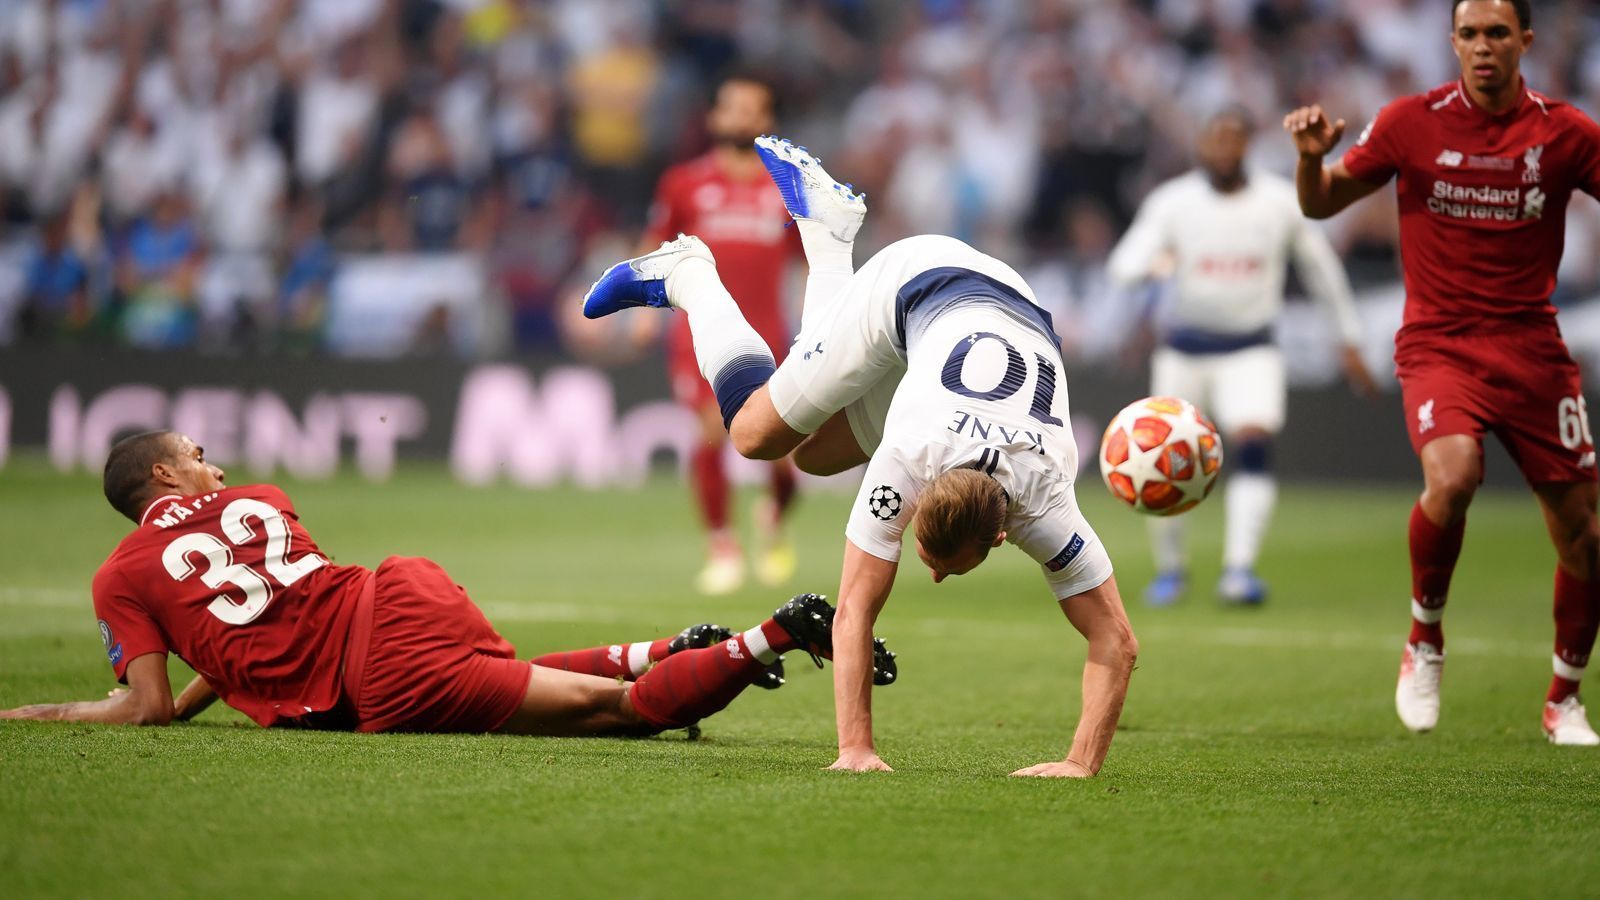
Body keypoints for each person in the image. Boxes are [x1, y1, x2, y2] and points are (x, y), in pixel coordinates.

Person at [582, 137, 1137, 777]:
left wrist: (1080, 764)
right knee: (756, 435)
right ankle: (689, 274)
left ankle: (825, 233)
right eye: (940, 563)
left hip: (1004, 303)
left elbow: (1118, 642)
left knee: (814, 455)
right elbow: (852, 613)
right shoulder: (917, 459)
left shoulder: (1041, 493)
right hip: (911, 286)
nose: (930, 575)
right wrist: (855, 750)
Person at [0, 431, 896, 734]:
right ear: (161, 478)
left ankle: (769, 636)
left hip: (378, 675)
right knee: (522, 683)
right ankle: (665, 649)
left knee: (604, 713)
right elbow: (245, 632)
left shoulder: (122, 574)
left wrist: (43, 713)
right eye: (195, 457)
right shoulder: (264, 500)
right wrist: (224, 681)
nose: (213, 464)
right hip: (400, 589)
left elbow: (145, 704)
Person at [1284, 0, 1599, 745]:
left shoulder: (1567, 132)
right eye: (1468, 34)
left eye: (1497, 33)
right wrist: (1308, 157)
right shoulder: (1409, 122)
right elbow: (1322, 204)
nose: (1482, 48)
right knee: (1452, 479)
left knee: (1583, 536)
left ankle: (1564, 699)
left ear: (1524, 40)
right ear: (1452, 42)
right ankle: (1424, 638)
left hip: (1534, 351)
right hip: (1440, 343)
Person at [1108, 106, 1377, 607]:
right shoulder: (1174, 202)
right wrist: (1150, 264)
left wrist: (1348, 338)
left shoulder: (1279, 201)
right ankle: (1171, 571)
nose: (1224, 149)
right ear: (1202, 145)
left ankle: (1239, 568)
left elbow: (1321, 272)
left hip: (1251, 347)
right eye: (1216, 139)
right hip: (1183, 348)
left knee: (1253, 444)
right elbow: (1123, 262)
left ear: (1247, 145)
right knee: (1161, 456)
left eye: (1234, 139)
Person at [638, 73, 802, 595]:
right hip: (698, 332)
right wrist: (643, 308)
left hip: (767, 330)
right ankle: (723, 546)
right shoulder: (683, 184)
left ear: (768, 119)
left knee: (779, 447)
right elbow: (656, 244)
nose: (742, 118)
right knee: (712, 429)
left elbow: (812, 261)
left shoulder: (789, 184)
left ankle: (773, 515)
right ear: (713, 118)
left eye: (753, 109)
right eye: (732, 107)